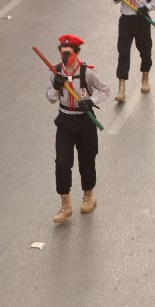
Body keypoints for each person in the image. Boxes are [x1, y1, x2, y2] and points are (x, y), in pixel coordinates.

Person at [45, 34, 110, 223]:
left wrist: (91, 101)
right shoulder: (55, 73)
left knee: (87, 160)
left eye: (69, 54)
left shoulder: (87, 72)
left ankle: (88, 194)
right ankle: (65, 204)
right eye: (62, 53)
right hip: (65, 120)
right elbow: (50, 98)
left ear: (77, 53)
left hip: (85, 121)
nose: (65, 58)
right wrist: (56, 87)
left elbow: (104, 90)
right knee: (62, 163)